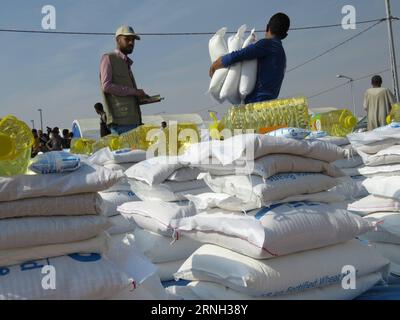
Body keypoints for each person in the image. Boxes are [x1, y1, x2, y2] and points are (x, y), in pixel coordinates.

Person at [209, 13, 290, 104]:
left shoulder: (267, 45)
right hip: (270, 103)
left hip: (256, 102)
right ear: (285, 35)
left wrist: (216, 64)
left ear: (268, 27)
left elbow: (239, 55)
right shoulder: (281, 54)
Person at [100, 25, 150, 135]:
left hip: (133, 120)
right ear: (118, 40)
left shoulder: (125, 62)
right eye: (127, 39)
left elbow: (123, 92)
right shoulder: (108, 58)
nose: (131, 43)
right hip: (121, 123)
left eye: (133, 40)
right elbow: (106, 86)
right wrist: (135, 91)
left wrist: (139, 97)